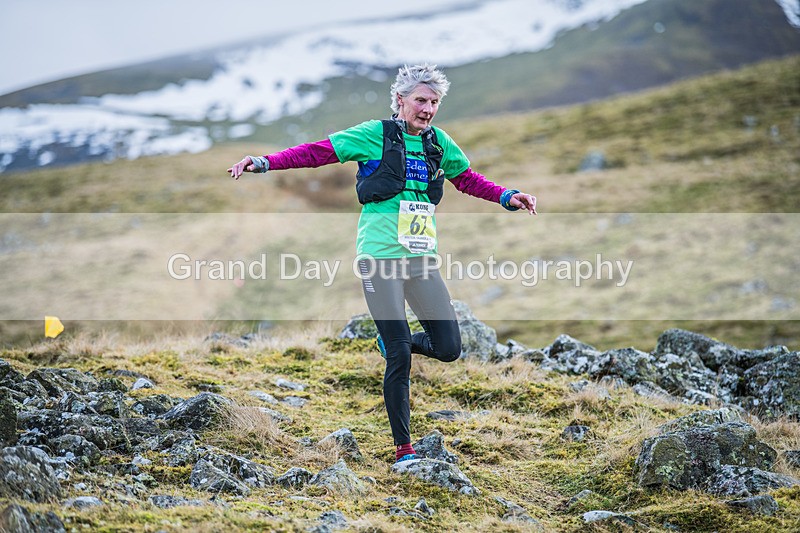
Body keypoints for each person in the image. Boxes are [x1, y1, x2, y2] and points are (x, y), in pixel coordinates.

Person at [228, 64, 536, 463]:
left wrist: (506, 196)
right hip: (380, 258)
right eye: (420, 100)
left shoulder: (439, 144)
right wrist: (265, 162)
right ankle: (404, 448)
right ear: (401, 100)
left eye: (434, 102)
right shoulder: (374, 135)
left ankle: (394, 343)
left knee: (448, 348)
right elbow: (316, 152)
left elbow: (467, 179)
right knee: (400, 354)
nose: (427, 109)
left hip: (421, 260)